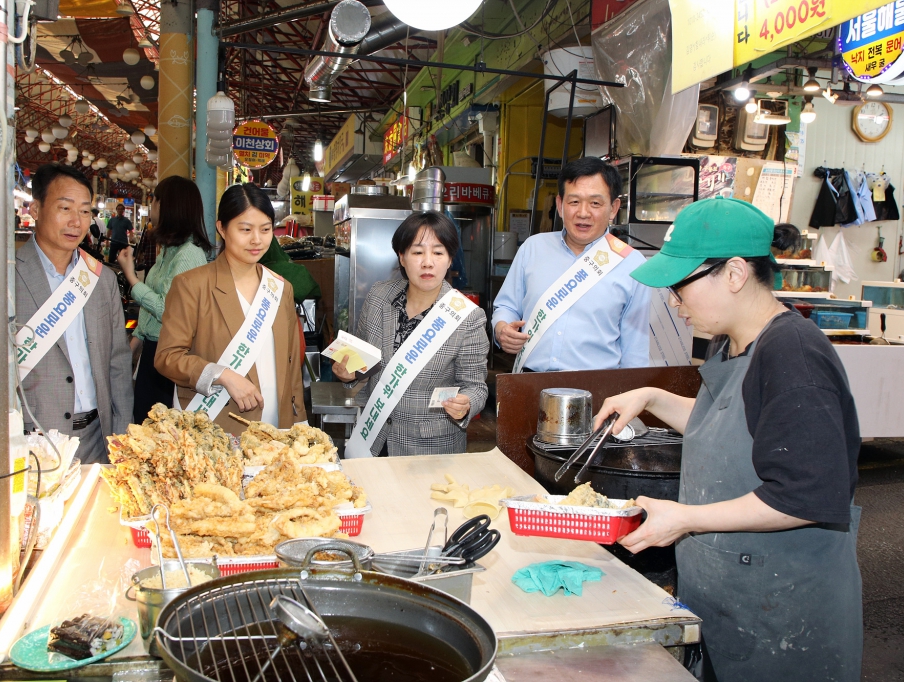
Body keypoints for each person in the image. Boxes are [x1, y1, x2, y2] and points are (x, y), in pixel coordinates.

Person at [593, 198, 861, 681]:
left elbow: (806, 494)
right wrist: (652, 397)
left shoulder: (794, 355)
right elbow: (731, 424)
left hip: (782, 613)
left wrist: (686, 518)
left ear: (735, 273)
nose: (675, 303)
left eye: (680, 286)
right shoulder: (732, 342)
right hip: (730, 599)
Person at [332, 211, 488, 457]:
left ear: (450, 259)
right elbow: (361, 362)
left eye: (438, 253)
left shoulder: (468, 317)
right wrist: (348, 373)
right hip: (373, 437)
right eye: (417, 252)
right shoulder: (378, 296)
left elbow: (476, 387)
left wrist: (466, 404)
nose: (428, 262)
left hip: (430, 448)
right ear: (402, 257)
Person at [155, 183, 307, 434]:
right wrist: (221, 374)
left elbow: (292, 368)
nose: (256, 240)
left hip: (274, 430)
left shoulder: (280, 288)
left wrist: (298, 424)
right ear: (222, 228)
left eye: (265, 229)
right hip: (215, 429)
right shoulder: (192, 285)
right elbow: (167, 357)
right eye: (245, 229)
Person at [14, 163, 133, 463]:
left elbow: (118, 362)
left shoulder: (101, 279)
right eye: (65, 208)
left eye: (84, 211)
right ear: (35, 209)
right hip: (33, 440)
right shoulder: (7, 276)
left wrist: (122, 433)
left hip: (98, 437)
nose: (76, 222)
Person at [491, 156, 650, 372]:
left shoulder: (632, 264)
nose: (583, 213)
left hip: (596, 386)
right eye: (574, 202)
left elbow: (635, 351)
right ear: (559, 205)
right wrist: (502, 329)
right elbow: (507, 306)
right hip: (529, 381)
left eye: (595, 203)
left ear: (613, 208)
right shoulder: (533, 248)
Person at [117, 176, 211, 424]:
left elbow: (168, 310)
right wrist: (136, 342)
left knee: (162, 430)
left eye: (154, 200)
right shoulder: (169, 251)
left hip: (171, 356)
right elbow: (154, 308)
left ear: (166, 205)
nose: (152, 206)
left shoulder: (189, 255)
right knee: (143, 423)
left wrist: (131, 278)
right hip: (152, 351)